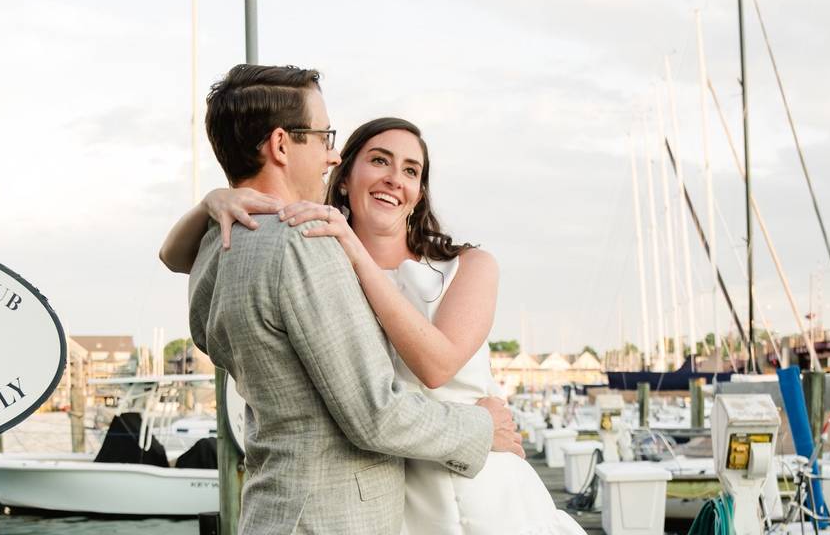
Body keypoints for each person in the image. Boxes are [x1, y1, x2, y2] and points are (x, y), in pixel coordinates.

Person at [163, 107, 585, 533]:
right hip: (389, 502)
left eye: (411, 170)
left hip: (481, 488)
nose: (394, 179)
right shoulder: (318, 264)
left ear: (418, 193)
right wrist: (211, 203)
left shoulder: (470, 266)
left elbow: (437, 366)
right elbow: (173, 257)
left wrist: (353, 248)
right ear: (344, 177)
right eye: (380, 160)